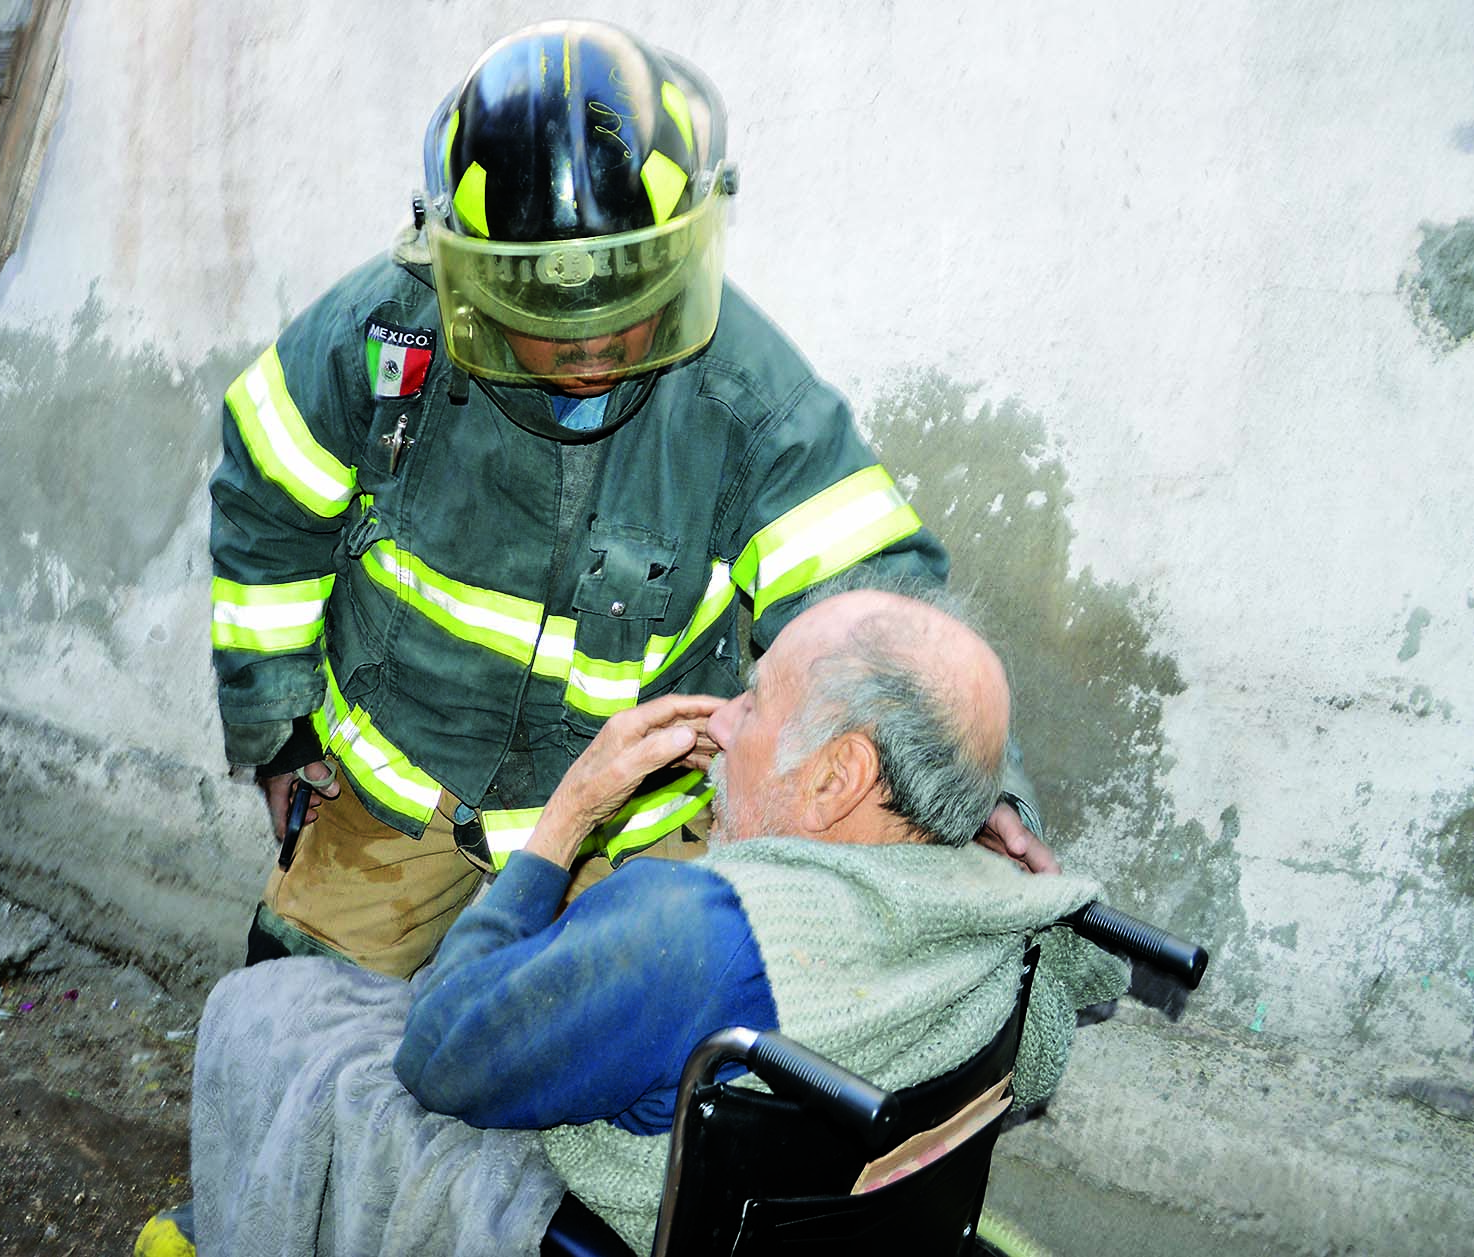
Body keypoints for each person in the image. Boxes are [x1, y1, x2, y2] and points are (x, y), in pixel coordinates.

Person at [210, 19, 1053, 983]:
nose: (590, 354)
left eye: (618, 309)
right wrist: (277, 731)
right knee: (287, 1015)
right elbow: (266, 515)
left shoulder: (750, 401)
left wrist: (972, 789)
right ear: (470, 280)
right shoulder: (377, 338)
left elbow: (887, 623)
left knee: (643, 1073)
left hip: (635, 817)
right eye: (548, 321)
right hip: (404, 781)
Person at [169, 584, 1126, 1256]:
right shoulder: (1017, 912)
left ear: (837, 776)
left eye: (756, 701)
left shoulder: (694, 929)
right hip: (827, 1216)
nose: (723, 722)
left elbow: (438, 1051)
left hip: (622, 1225)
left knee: (277, 1009)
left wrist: (569, 812)